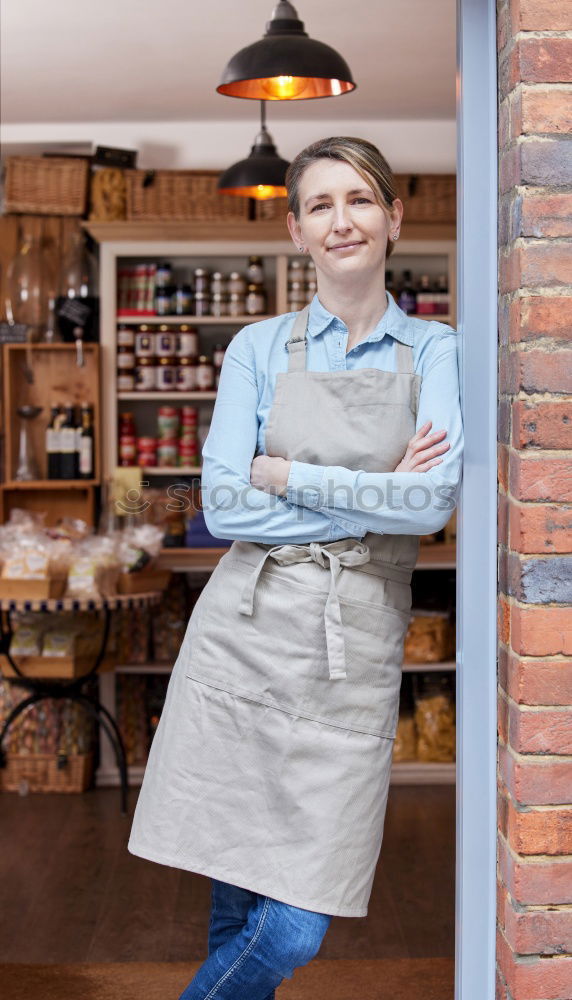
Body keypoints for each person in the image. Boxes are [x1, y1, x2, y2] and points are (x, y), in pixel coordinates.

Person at [128, 136, 464, 1000]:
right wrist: (372, 489)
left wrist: (293, 476)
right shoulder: (258, 348)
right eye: (320, 205)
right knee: (232, 882)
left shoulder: (435, 351)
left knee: (296, 924)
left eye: (358, 200)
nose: (340, 220)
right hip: (246, 629)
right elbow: (227, 508)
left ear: (393, 217)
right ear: (296, 230)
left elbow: (430, 508)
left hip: (350, 647)